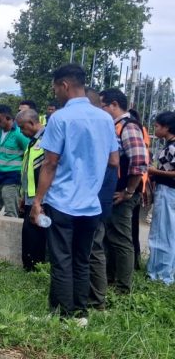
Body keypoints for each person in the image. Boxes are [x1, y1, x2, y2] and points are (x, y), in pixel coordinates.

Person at [30, 64, 118, 322]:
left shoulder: (60, 118)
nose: (55, 92)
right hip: (91, 204)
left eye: (56, 87)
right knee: (82, 260)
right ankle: (80, 314)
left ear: (64, 85)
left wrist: (37, 201)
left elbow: (50, 163)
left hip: (63, 201)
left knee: (61, 260)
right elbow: (114, 160)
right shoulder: (105, 118)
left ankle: (61, 314)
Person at [99, 88, 148, 295]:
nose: (101, 110)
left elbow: (139, 162)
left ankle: (123, 288)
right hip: (113, 193)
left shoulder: (128, 127)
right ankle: (111, 278)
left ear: (114, 105)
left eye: (103, 106)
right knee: (110, 237)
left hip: (123, 195)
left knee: (121, 240)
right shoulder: (115, 127)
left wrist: (128, 191)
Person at [84, 87, 119, 312]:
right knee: (90, 247)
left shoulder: (101, 125)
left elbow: (113, 161)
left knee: (94, 247)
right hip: (97, 195)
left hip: (97, 196)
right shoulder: (104, 124)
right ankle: (91, 294)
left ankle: (97, 300)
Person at [0, 105, 30, 218]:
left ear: (8, 118)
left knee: (10, 211)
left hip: (12, 176)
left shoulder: (19, 134)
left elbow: (30, 153)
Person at [147, 111, 175, 285]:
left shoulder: (172, 147)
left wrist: (153, 171)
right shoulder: (168, 145)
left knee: (162, 232)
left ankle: (160, 275)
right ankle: (163, 272)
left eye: (157, 126)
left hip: (167, 190)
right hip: (166, 190)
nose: (155, 129)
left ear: (167, 128)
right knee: (167, 232)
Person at [16, 109, 46, 271]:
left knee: (37, 237)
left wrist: (39, 201)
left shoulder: (47, 138)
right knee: (28, 235)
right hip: (30, 197)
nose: (21, 131)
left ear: (32, 123)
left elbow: (47, 170)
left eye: (22, 127)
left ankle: (37, 270)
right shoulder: (33, 141)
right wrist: (24, 195)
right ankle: (29, 269)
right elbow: (28, 170)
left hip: (41, 199)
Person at [127, 108, 150, 270]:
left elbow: (140, 163)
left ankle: (133, 263)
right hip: (139, 185)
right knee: (132, 227)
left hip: (134, 186)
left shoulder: (133, 131)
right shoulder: (142, 133)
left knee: (130, 229)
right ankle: (134, 261)